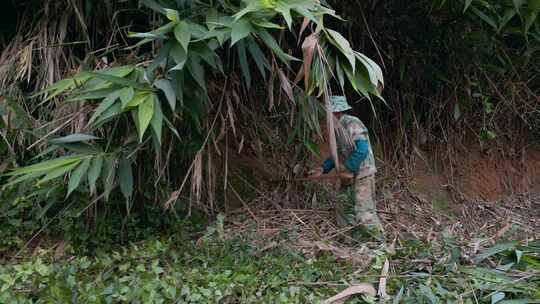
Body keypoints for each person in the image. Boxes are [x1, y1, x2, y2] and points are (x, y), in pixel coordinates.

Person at [310, 96, 383, 238]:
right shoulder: (336, 127)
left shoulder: (352, 123)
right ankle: (350, 239)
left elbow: (362, 149)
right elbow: (337, 154)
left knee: (364, 211)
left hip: (363, 173)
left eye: (328, 112)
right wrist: (323, 169)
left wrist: (347, 167)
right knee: (343, 206)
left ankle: (378, 242)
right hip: (348, 173)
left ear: (337, 112)